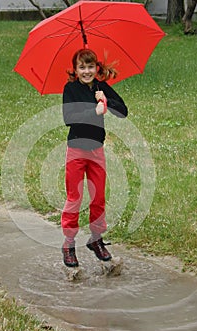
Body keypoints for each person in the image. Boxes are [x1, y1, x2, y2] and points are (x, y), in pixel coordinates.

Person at [61, 48, 128, 267]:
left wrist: (106, 99)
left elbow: (123, 111)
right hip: (76, 150)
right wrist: (95, 110)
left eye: (90, 66)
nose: (87, 71)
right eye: (82, 67)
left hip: (96, 150)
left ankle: (96, 239)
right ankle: (69, 243)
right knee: (75, 198)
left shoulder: (102, 87)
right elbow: (69, 118)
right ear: (75, 70)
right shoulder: (70, 89)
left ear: (96, 68)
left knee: (98, 197)